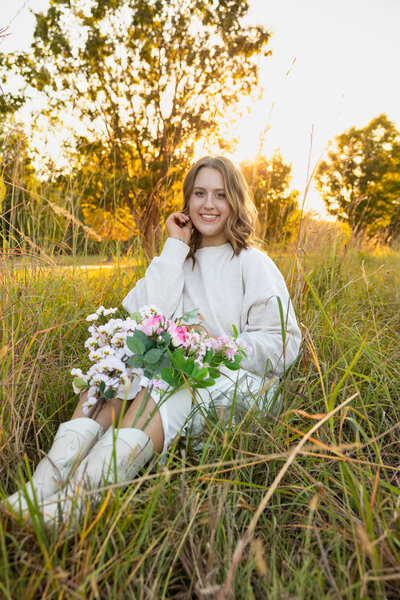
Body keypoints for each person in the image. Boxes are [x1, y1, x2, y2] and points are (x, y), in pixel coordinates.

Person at [4, 156, 302, 528]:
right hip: (174, 374)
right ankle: (39, 489)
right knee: (116, 372)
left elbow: (284, 343)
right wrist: (175, 248)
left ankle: (77, 505)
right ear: (187, 202)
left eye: (220, 195)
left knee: (162, 384)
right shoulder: (177, 260)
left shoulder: (251, 262)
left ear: (235, 202)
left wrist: (218, 346)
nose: (208, 204)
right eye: (199, 193)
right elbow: (147, 317)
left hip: (240, 382)